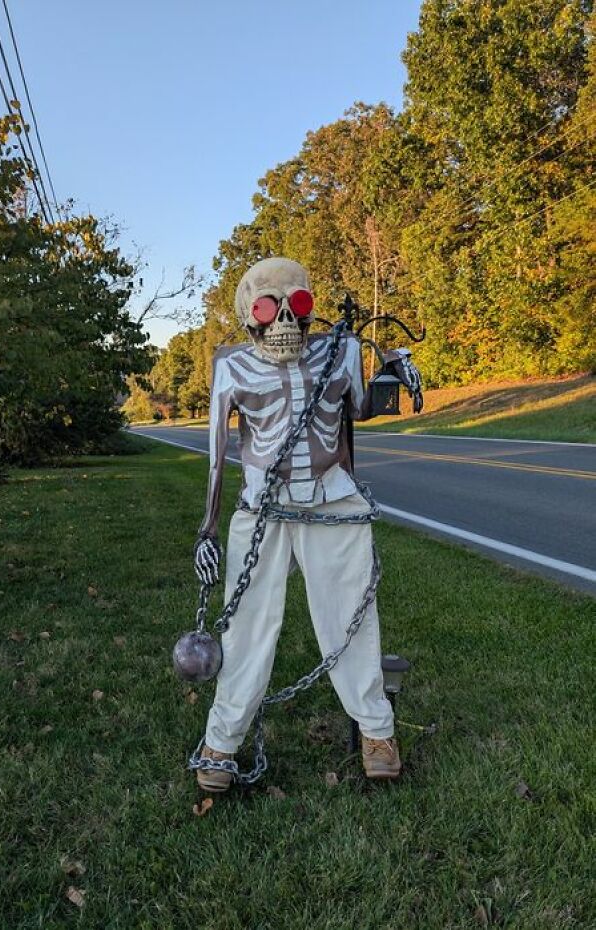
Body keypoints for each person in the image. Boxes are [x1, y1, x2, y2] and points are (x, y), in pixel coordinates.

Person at [193, 257, 422, 791]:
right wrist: (207, 530)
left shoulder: (340, 349)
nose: (286, 324)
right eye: (270, 309)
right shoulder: (230, 365)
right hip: (262, 507)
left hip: (333, 499)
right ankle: (221, 740)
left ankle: (376, 730)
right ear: (249, 315)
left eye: (297, 306)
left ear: (309, 306)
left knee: (351, 618)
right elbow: (215, 453)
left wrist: (391, 369)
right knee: (245, 627)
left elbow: (360, 408)